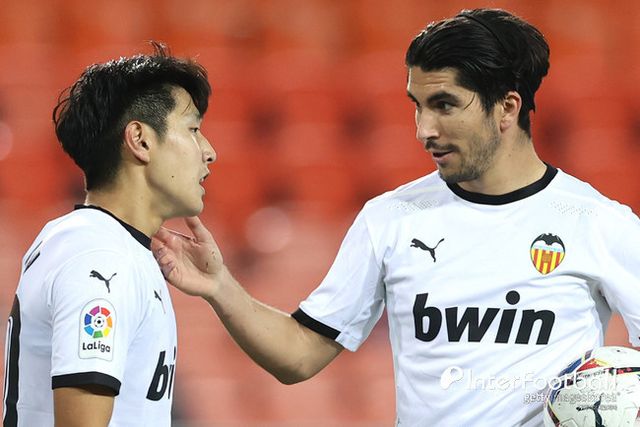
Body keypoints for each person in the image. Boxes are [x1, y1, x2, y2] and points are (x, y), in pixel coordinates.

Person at [153, 8, 640, 426]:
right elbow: (299, 355)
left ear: (507, 107)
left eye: (444, 105)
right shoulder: (392, 219)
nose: (424, 130)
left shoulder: (598, 224)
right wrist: (221, 287)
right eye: (418, 106)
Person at [3, 42, 215, 426]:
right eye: (193, 130)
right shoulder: (100, 258)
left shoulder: (111, 246)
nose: (209, 151)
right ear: (140, 139)